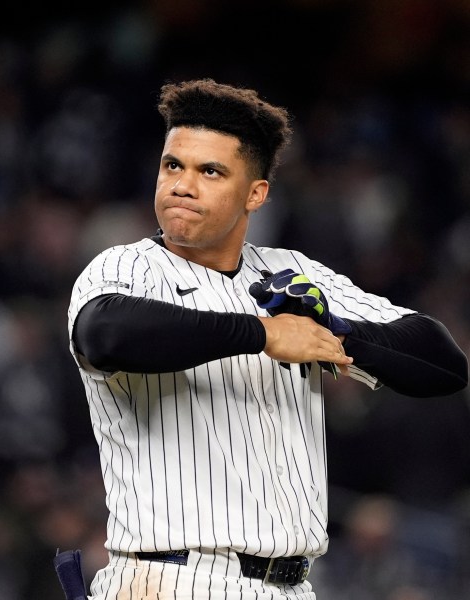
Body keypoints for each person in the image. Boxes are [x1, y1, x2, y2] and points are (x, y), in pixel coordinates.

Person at [66, 79, 468, 600]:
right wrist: (262, 332)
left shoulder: (291, 271)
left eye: (210, 171)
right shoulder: (126, 267)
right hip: (170, 578)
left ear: (255, 193)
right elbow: (106, 333)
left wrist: (336, 333)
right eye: (173, 166)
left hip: (294, 585)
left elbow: (442, 363)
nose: (182, 185)